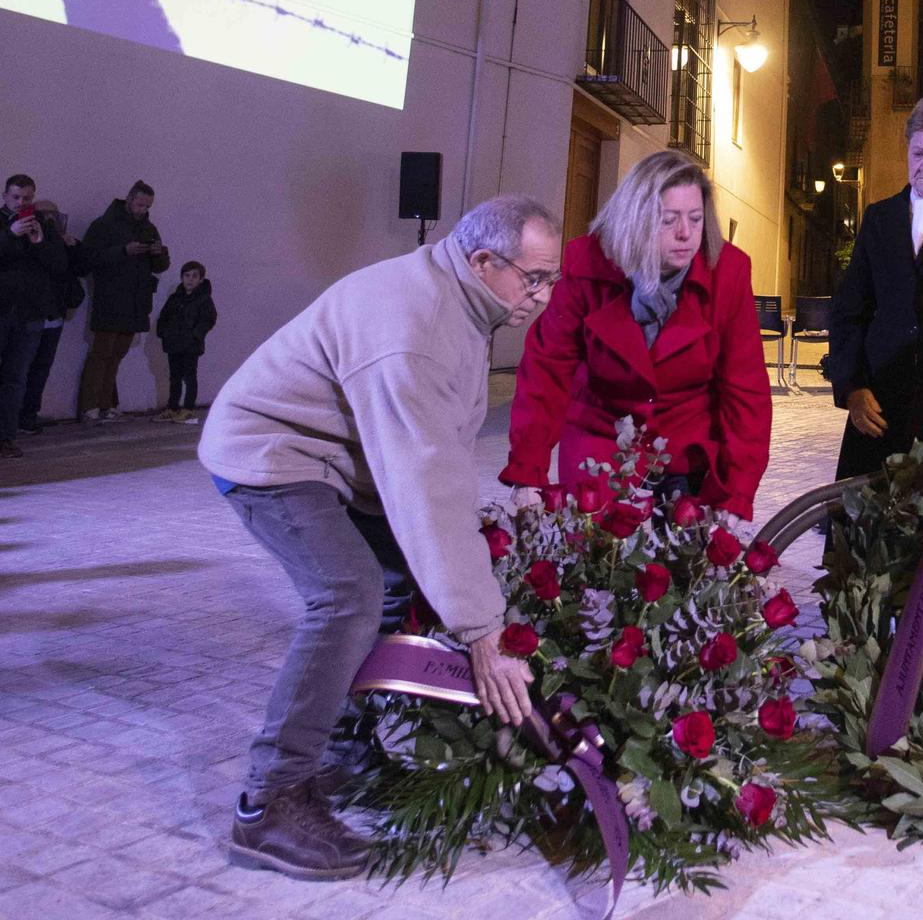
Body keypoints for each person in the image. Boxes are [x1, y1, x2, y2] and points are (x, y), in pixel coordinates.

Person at [200, 194, 562, 882]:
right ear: (484, 261)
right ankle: (268, 804)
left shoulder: (463, 299)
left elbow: (438, 463)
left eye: (551, 280)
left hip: (344, 461)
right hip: (271, 450)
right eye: (534, 279)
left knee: (397, 579)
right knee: (348, 593)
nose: (542, 297)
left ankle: (339, 745)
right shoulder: (415, 321)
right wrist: (484, 633)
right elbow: (423, 481)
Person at [502, 151, 770, 520]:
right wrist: (527, 472)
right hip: (598, 447)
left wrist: (737, 494)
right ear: (637, 219)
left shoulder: (728, 272)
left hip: (684, 450)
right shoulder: (586, 263)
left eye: (695, 219)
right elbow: (546, 372)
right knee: (598, 569)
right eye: (668, 220)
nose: (686, 234)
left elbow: (745, 391)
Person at [827, 92, 923, 701]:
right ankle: (860, 640)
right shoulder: (880, 219)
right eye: (919, 152)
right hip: (880, 408)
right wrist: (852, 387)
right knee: (860, 529)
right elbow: (849, 311)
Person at [78, 181, 169, 420]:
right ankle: (89, 406)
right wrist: (123, 251)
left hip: (136, 301)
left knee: (118, 354)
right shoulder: (104, 225)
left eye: (147, 206)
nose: (142, 210)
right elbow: (87, 259)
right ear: (128, 199)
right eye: (139, 204)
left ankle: (106, 404)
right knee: (101, 353)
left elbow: (161, 266)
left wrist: (158, 252)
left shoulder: (149, 228)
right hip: (110, 298)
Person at [1, 175, 64, 458]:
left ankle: (6, 437)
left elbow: (60, 266)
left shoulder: (44, 227)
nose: (21, 203)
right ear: (5, 196)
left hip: (29, 315)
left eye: (27, 198)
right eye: (16, 197)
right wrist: (10, 234)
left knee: (16, 379)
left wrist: (39, 242)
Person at [19, 197, 85, 434]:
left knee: (42, 368)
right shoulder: (27, 240)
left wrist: (72, 247)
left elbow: (80, 269)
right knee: (20, 368)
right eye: (45, 214)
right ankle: (15, 416)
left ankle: (29, 415)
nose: (50, 220)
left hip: (54, 314)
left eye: (54, 216)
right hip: (30, 315)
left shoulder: (62, 242)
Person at [154, 261, 217, 422]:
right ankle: (172, 408)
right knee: (174, 377)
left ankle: (188, 408)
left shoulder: (203, 299)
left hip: (191, 346)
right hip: (174, 344)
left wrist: (195, 335)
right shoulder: (175, 298)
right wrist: (164, 333)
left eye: (195, 276)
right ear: (182, 278)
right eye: (187, 275)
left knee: (189, 377)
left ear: (201, 279)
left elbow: (208, 319)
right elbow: (164, 317)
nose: (190, 279)